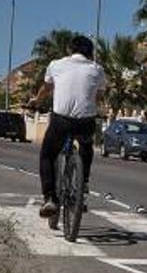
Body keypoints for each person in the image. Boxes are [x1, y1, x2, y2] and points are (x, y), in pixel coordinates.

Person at [35, 35, 106, 218]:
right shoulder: (97, 69)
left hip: (61, 121)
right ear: (90, 53)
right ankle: (83, 184)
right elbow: (98, 95)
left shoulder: (56, 65)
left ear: (69, 50)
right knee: (86, 146)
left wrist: (36, 100)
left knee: (47, 155)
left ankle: (50, 198)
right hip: (85, 121)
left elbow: (46, 88)